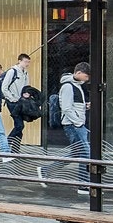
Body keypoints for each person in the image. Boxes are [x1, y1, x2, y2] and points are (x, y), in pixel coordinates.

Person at [40, 62, 93, 193]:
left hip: (74, 124)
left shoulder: (76, 85)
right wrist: (78, 122)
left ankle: (45, 170)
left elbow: (71, 105)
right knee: (85, 152)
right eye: (86, 76)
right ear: (79, 73)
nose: (87, 79)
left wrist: (84, 106)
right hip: (73, 125)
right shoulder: (68, 86)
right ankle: (83, 184)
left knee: (78, 153)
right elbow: (67, 108)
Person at [1, 52, 35, 152]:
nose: (27, 64)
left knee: (18, 126)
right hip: (13, 102)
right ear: (19, 61)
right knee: (20, 125)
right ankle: (5, 145)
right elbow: (4, 87)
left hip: (21, 102)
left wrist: (27, 94)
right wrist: (12, 98)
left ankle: (15, 150)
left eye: (28, 62)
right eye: (25, 62)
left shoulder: (25, 72)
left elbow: (26, 87)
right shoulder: (12, 71)